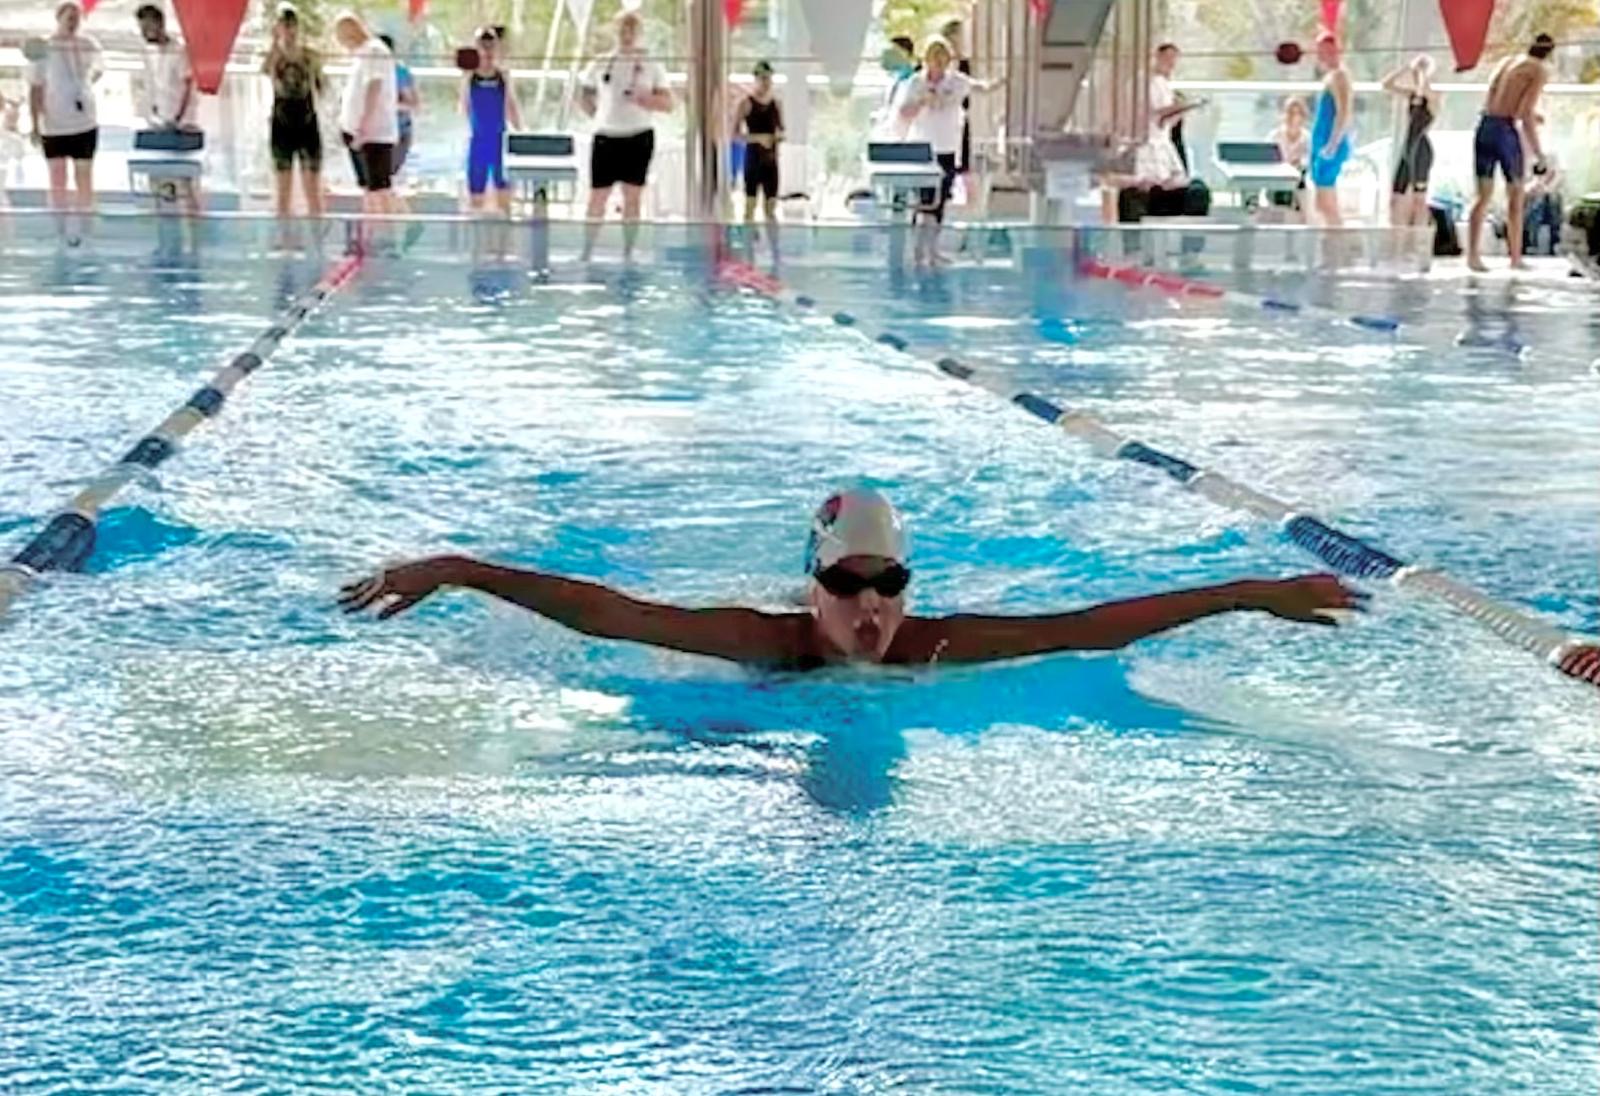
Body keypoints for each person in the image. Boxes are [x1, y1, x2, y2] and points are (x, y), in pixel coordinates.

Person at [340, 488, 1364, 669]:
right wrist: (459, 568)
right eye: (846, 586)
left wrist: (1246, 591)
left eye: (890, 583)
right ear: (812, 589)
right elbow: (611, 616)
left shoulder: (933, 644)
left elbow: (1087, 627)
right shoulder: (766, 640)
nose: (871, 605)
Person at [577, 9, 672, 263]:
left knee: (632, 197)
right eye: (622, 29)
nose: (626, 35)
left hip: (638, 136)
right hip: (606, 136)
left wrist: (645, 99)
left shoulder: (651, 64)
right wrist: (597, 114)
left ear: (639, 33)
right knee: (598, 197)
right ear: (616, 32)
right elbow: (583, 93)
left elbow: (668, 103)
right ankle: (587, 251)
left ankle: (628, 252)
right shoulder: (601, 63)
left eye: (631, 30)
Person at [896, 35, 999, 266]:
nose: (939, 65)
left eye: (943, 60)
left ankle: (932, 250)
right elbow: (903, 113)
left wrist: (1004, 81)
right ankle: (918, 250)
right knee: (924, 200)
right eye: (935, 59)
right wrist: (923, 101)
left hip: (947, 148)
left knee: (940, 200)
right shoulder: (915, 83)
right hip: (922, 147)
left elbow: (981, 88)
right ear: (927, 60)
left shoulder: (956, 81)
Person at [1467, 34, 1553, 272]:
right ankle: (1515, 258)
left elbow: (1496, 99)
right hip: (1504, 132)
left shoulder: (1508, 62)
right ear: (1549, 53)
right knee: (1516, 195)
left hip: (1485, 126)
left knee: (1482, 197)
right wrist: (1540, 154)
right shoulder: (1538, 70)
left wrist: (1528, 115)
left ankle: (1472, 257)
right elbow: (1525, 113)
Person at [27, 1, 103, 241]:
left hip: (84, 122)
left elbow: (98, 71)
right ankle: (59, 230)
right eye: (69, 18)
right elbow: (35, 89)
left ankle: (86, 230)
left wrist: (81, 91)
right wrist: (35, 124)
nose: (73, 23)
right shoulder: (44, 48)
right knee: (57, 179)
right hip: (54, 125)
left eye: (77, 18)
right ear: (58, 18)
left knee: (84, 178)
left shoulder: (89, 45)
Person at [263, 2, 324, 236]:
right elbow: (266, 70)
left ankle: (315, 239)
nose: (289, 30)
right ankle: (286, 240)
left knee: (312, 188)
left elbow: (321, 86)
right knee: (283, 189)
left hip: (307, 122)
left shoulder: (310, 55)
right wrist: (274, 43)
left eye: (292, 25)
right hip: (282, 124)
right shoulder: (274, 56)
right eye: (284, 25)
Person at [134, 3, 199, 219]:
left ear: (159, 25)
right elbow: (151, 87)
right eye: (142, 28)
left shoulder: (179, 52)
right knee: (159, 182)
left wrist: (178, 119)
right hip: (158, 122)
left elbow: (188, 86)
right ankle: (166, 229)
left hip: (180, 124)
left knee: (184, 182)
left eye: (147, 27)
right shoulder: (149, 53)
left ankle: (194, 231)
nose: (144, 33)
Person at [333, 12, 399, 221]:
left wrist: (363, 126)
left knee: (380, 190)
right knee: (369, 190)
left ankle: (388, 231)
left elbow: (374, 87)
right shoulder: (361, 54)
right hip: (358, 133)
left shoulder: (374, 51)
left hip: (373, 134)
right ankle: (371, 230)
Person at [461, 26, 522, 217]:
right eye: (483, 46)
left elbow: (511, 105)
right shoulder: (470, 76)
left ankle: (504, 230)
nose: (487, 51)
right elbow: (464, 106)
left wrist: (520, 132)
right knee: (476, 192)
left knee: (502, 191)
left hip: (499, 140)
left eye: (490, 46)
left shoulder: (502, 76)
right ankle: (476, 229)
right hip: (478, 140)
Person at [1381, 54, 1439, 232]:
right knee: (1396, 196)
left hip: (1421, 148)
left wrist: (1423, 74)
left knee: (1418, 199)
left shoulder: (1432, 97)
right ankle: (1398, 236)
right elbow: (1386, 84)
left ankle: (1420, 236)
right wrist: (1406, 68)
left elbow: (1425, 91)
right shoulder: (1412, 95)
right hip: (1407, 147)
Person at [1309, 31, 1353, 229]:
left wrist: (1333, 144)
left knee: (1326, 204)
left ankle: (1339, 241)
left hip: (1330, 142)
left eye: (1325, 51)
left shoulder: (1339, 76)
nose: (1320, 55)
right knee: (1321, 203)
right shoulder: (1330, 76)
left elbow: (1343, 112)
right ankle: (1332, 240)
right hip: (1323, 141)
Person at [735, 60, 783, 239]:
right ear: (756, 79)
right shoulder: (746, 103)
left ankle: (774, 245)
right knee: (750, 205)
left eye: (768, 78)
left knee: (771, 207)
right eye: (762, 79)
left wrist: (777, 138)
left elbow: (781, 130)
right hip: (753, 158)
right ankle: (748, 243)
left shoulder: (776, 104)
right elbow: (735, 135)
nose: (766, 82)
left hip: (771, 160)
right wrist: (758, 139)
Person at [377, 34, 417, 178]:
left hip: (399, 132)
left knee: (386, 175)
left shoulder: (400, 73)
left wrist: (387, 105)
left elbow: (413, 104)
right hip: (375, 133)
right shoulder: (366, 72)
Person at [1268, 96, 1309, 212]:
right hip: (1278, 178)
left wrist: (1299, 163)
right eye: (1290, 112)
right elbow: (1267, 159)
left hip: (1298, 179)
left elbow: (1309, 161)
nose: (1292, 117)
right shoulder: (1275, 136)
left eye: (1297, 113)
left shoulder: (1306, 138)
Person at [1522, 137, 1562, 257]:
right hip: (1530, 200)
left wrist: (1545, 189)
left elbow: (1557, 178)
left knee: (1550, 200)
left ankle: (1534, 243)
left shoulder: (1552, 159)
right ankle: (1546, 243)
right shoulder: (1524, 161)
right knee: (1537, 203)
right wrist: (1533, 188)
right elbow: (1522, 186)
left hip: (1548, 199)